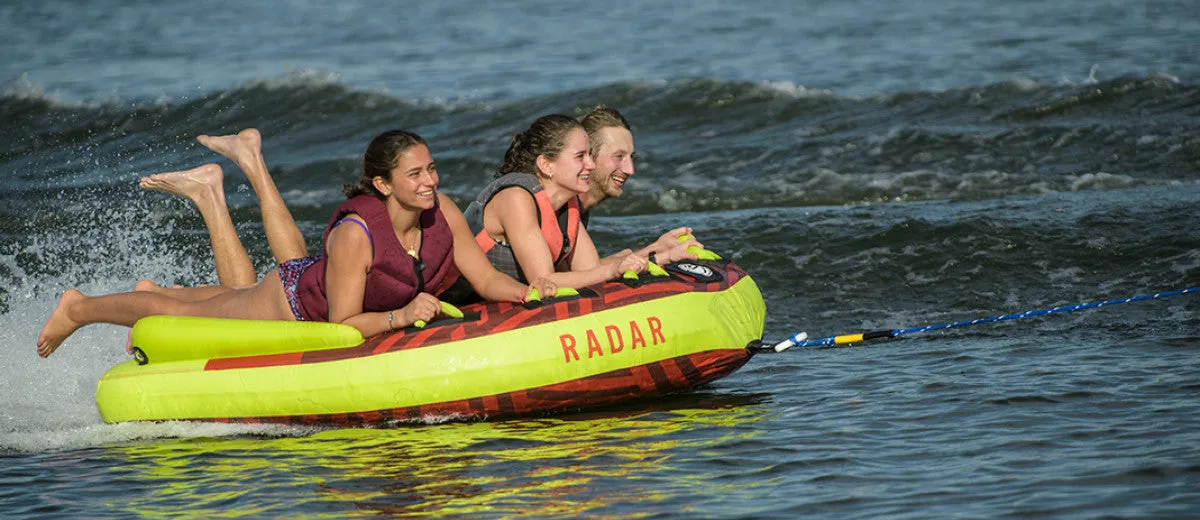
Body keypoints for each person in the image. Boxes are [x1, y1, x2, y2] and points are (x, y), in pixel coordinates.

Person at [36, 130, 543, 358]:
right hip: (293, 303)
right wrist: (401, 316)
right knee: (186, 312)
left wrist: (529, 293)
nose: (430, 180)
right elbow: (342, 325)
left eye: (431, 168)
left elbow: (485, 277)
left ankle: (228, 177)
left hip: (312, 277)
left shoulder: (444, 212)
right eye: (415, 173)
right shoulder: (356, 234)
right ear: (383, 184)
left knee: (209, 296)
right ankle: (80, 308)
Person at [449, 114, 701, 299]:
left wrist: (661, 254)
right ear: (546, 165)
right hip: (453, 304)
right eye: (580, 157)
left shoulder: (567, 204)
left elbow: (590, 271)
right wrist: (617, 267)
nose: (590, 165)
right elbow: (544, 280)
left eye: (590, 156)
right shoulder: (516, 198)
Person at [577, 106, 698, 264]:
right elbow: (578, 275)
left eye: (631, 157)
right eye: (619, 156)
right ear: (587, 157)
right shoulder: (560, 206)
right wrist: (662, 257)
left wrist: (654, 249)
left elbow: (585, 269)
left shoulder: (579, 208)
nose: (630, 170)